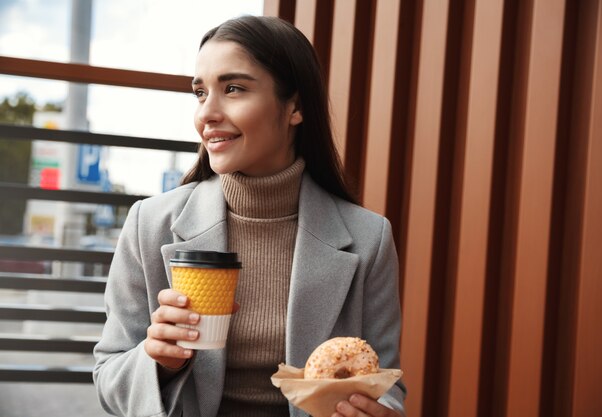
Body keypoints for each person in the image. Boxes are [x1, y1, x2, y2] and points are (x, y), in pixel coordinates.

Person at [93, 15, 405, 417]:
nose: (207, 113)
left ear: (295, 107)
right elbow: (109, 377)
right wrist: (159, 361)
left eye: (234, 89)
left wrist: (380, 411)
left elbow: (388, 387)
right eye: (201, 93)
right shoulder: (148, 224)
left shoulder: (369, 237)